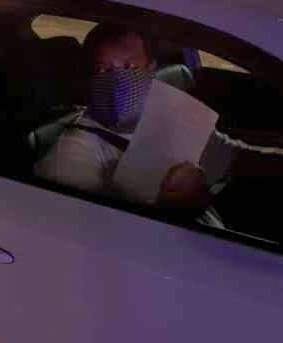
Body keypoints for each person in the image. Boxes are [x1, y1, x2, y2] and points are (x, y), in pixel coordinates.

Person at [34, 23, 213, 209]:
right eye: (103, 70)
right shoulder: (67, 165)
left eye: (130, 67)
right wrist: (171, 210)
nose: (118, 81)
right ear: (89, 77)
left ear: (151, 68)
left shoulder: (165, 113)